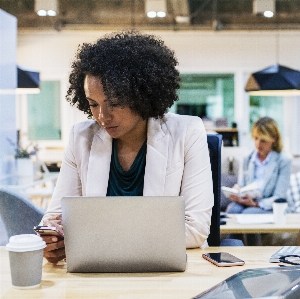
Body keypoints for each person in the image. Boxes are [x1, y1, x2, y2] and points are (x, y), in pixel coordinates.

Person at [39, 30, 214, 263]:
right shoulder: (81, 138)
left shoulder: (187, 132)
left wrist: (87, 239)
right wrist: (53, 241)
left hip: (169, 271)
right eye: (93, 104)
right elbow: (54, 220)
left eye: (115, 103)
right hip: (97, 269)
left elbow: (195, 229)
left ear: (141, 95)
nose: (103, 116)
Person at [226, 116, 291, 214]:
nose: (258, 144)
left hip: (269, 206)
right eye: (256, 138)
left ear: (274, 138)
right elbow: (242, 185)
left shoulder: (283, 161)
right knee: (232, 210)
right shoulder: (247, 158)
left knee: (249, 213)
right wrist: (237, 191)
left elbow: (279, 197)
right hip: (247, 201)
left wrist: (256, 204)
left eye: (263, 140)